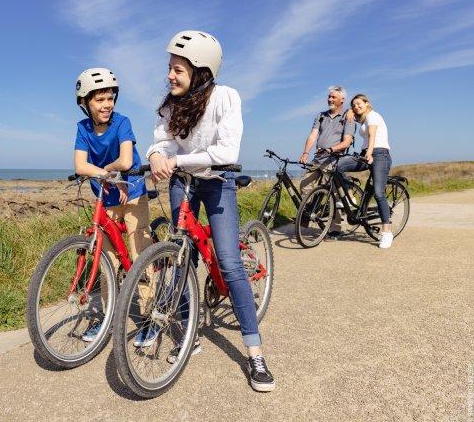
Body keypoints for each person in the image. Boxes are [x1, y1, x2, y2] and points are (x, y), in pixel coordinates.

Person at [146, 30, 275, 392]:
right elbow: (161, 142)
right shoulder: (171, 106)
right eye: (169, 68)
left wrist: (174, 159)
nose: (170, 76)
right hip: (181, 180)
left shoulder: (226, 98)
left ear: (200, 71)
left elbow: (227, 152)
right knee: (180, 257)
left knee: (230, 263)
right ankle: (189, 335)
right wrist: (156, 155)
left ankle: (255, 352)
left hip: (218, 180)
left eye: (178, 70)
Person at [72, 68, 156, 343]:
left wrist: (107, 171)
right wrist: (106, 176)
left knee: (138, 252)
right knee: (106, 259)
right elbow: (79, 164)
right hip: (105, 196)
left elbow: (125, 160)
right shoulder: (82, 128)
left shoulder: (122, 122)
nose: (106, 105)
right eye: (99, 100)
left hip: (131, 193)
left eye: (109, 98)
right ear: (85, 103)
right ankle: (106, 317)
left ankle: (150, 317)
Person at [298, 86, 356, 237]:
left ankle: (335, 228)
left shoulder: (348, 117)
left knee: (334, 194)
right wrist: (305, 152)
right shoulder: (321, 116)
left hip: (334, 160)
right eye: (329, 97)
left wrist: (331, 149)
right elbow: (313, 135)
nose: (330, 99)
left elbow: (347, 142)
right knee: (304, 186)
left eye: (333, 97)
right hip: (318, 159)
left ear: (342, 99)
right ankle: (313, 211)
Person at [337, 94, 394, 249]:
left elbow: (372, 134)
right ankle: (349, 196)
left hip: (379, 154)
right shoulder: (362, 119)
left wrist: (369, 153)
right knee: (339, 166)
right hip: (365, 154)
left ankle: (386, 232)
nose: (356, 106)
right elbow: (355, 119)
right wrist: (349, 111)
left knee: (378, 193)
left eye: (359, 103)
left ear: (367, 103)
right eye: (354, 105)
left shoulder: (373, 116)